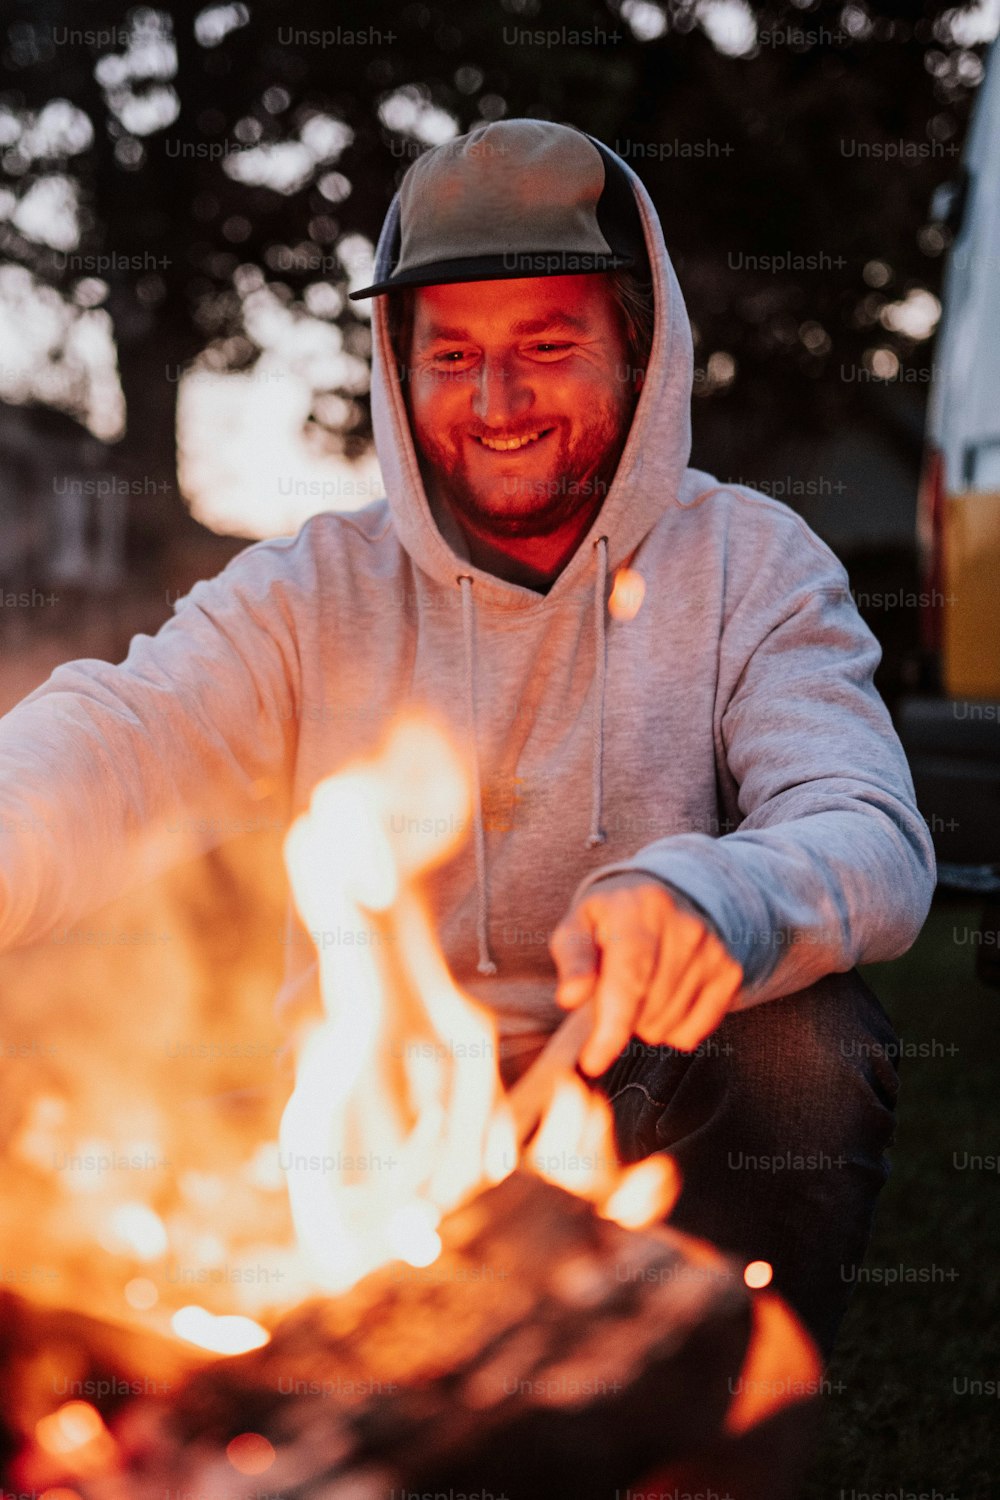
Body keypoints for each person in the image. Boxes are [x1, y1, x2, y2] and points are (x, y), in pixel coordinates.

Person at [0, 120, 935, 1361]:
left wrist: (718, 896)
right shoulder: (312, 589)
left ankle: (695, 1444)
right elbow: (121, 736)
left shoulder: (753, 564)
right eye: (451, 354)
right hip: (361, 1114)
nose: (495, 404)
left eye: (546, 348)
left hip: (627, 1102)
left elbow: (864, 826)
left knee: (808, 1051)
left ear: (639, 351)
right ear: (396, 362)